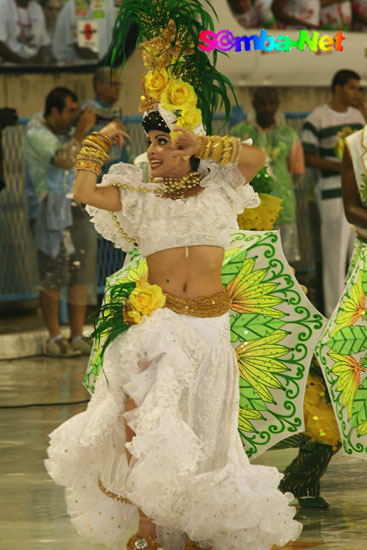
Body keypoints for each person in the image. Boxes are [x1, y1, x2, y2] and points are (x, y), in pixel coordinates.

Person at [44, 2, 302, 550]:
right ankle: (146, 530)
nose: (154, 150)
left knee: (203, 429)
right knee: (146, 423)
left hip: (212, 330)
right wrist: (96, 143)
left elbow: (254, 157)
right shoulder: (136, 195)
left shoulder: (220, 186)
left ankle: (190, 527)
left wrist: (200, 144)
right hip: (159, 322)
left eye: (165, 141)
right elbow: (85, 193)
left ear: (187, 146)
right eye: (150, 140)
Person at [24, 87, 97, 358]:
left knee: (81, 272)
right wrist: (81, 131)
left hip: (75, 207)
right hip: (48, 212)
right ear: (53, 111)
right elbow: (64, 160)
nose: (73, 117)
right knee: (52, 274)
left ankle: (77, 335)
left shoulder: (68, 132)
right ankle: (54, 337)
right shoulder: (36, 133)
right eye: (69, 111)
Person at [301, 69, 364, 317]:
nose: (356, 93)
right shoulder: (318, 117)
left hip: (361, 194)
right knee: (335, 259)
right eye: (352, 88)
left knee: (358, 257)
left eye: (359, 88)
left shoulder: (359, 114)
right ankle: (333, 316)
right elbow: (308, 156)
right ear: (337, 88)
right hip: (331, 193)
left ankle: (356, 315)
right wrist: (346, 167)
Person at [231, 87, 304, 264]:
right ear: (255, 105)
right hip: (249, 209)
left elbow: (296, 171)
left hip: (282, 207)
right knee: (252, 262)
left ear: (277, 105)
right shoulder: (239, 133)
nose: (267, 108)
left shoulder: (288, 135)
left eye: (272, 103)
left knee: (284, 262)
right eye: (262, 104)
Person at [82, 66, 130, 175]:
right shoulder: (89, 111)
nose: (117, 88)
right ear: (99, 85)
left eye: (119, 84)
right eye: (114, 84)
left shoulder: (114, 112)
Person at [0, 0, 54, 64]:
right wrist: (23, 62)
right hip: (7, 66)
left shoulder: (37, 8)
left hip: (32, 66)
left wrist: (39, 60)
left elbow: (44, 44)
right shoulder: (3, 6)